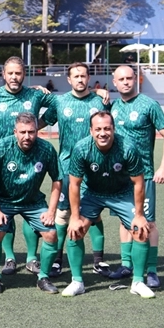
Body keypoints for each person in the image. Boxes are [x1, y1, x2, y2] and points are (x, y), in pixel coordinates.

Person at [65, 111, 153, 298]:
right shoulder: (81, 149)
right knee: (75, 230)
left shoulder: (128, 148)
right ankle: (77, 281)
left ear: (113, 129)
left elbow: (138, 183)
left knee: (141, 230)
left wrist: (139, 215)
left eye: (107, 128)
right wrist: (74, 218)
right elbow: (74, 184)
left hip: (122, 193)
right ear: (91, 131)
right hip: (92, 194)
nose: (102, 133)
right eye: (98, 129)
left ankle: (138, 281)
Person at [108, 65, 164, 288]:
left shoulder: (149, 105)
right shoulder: (114, 106)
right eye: (121, 79)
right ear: (114, 82)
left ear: (135, 79)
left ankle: (153, 270)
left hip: (143, 175)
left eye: (129, 78)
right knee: (124, 220)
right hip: (119, 176)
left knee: (148, 223)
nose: (126, 82)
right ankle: (126, 264)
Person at [41, 62, 109, 278]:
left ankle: (99, 261)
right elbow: (43, 121)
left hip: (95, 168)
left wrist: (101, 91)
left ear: (89, 78)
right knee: (63, 213)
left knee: (95, 213)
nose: (80, 79)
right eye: (75, 76)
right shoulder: (60, 102)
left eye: (83, 76)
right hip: (67, 166)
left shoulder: (100, 101)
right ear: (68, 80)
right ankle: (57, 261)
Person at [0, 113, 62, 294]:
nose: (27, 136)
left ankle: (43, 277)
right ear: (15, 132)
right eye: (23, 132)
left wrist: (51, 211)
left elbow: (57, 179)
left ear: (37, 131)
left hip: (33, 202)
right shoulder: (2, 147)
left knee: (51, 234)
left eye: (31, 132)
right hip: (5, 201)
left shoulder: (46, 149)